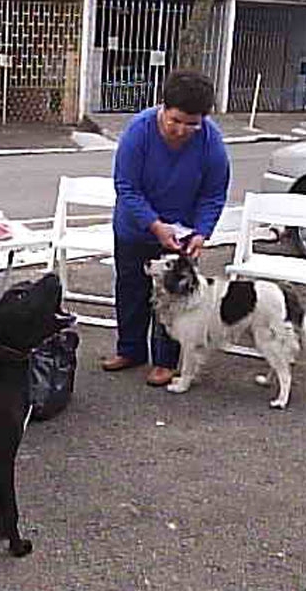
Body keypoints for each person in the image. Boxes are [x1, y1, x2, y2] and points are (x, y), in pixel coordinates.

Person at [101, 69, 230, 387]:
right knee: (131, 288)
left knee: (178, 294)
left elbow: (214, 192)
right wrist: (154, 225)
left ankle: (165, 361)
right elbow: (126, 187)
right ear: (163, 107)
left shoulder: (211, 141)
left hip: (182, 232)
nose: (183, 130)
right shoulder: (138, 132)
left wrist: (201, 231)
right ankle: (130, 349)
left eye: (192, 123)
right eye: (176, 121)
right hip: (136, 226)